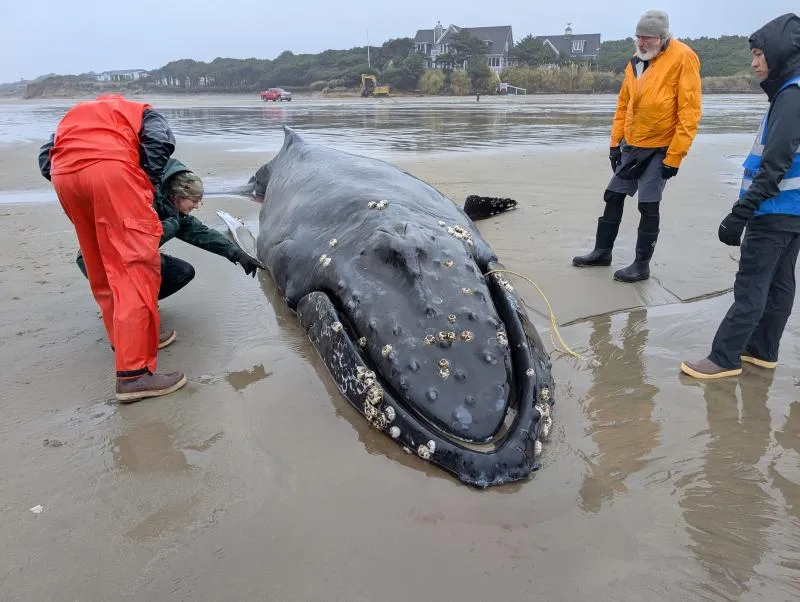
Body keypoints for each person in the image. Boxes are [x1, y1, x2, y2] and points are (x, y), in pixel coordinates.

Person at [37, 93, 186, 403]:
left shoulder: (78, 115)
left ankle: (127, 341)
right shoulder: (143, 112)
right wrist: (142, 180)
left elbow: (45, 157)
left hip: (65, 178)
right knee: (134, 269)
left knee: (101, 264)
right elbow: (161, 142)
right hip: (111, 173)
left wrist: (71, 178)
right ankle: (134, 375)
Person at [681, 13, 800, 379]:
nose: (753, 63)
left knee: (752, 284)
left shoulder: (791, 95)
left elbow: (775, 161)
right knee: (780, 283)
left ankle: (723, 357)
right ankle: (762, 350)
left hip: (774, 209)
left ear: (778, 54)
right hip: (793, 212)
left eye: (759, 55)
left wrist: (741, 212)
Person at [572, 9, 702, 282]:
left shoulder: (684, 58)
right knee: (613, 196)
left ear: (663, 37)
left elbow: (690, 112)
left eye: (647, 38)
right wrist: (614, 143)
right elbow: (623, 104)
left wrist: (674, 158)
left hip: (661, 147)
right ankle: (602, 252)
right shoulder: (635, 62)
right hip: (632, 144)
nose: (642, 43)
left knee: (648, 205)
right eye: (638, 37)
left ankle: (641, 265)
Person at [75, 158, 261, 304]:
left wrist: (235, 254)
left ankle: (137, 303)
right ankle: (131, 309)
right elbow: (139, 242)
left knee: (182, 271)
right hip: (98, 259)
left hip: (122, 258)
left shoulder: (170, 208)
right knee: (152, 265)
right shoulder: (144, 202)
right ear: (178, 195)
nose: (196, 206)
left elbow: (202, 234)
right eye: (194, 201)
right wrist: (172, 224)